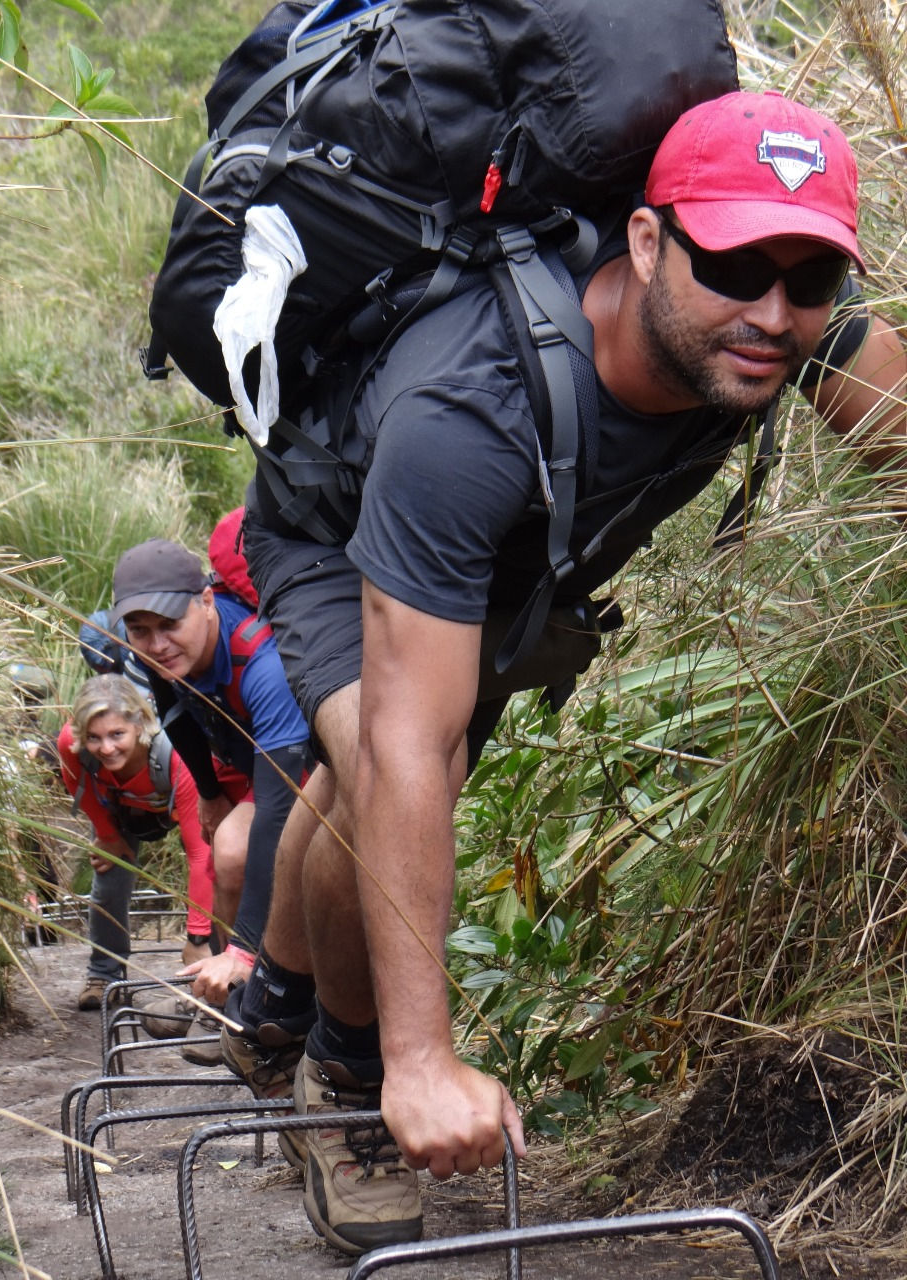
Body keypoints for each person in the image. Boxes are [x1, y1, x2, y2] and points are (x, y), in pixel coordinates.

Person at [214, 89, 906, 1256]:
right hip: (341, 530)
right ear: (647, 242)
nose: (773, 311)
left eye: (810, 279)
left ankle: (276, 1002)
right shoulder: (467, 414)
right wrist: (423, 1057)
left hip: (513, 557)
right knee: (386, 764)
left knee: (380, 776)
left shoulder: (782, 325)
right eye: (736, 264)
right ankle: (343, 1072)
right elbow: (407, 746)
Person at [109, 536, 313, 1040]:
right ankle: (231, 997)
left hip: (314, 765)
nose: (156, 645)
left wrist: (244, 944)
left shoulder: (262, 663)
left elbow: (278, 811)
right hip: (247, 763)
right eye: (140, 631)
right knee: (224, 843)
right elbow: (177, 716)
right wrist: (208, 791)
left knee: (236, 847)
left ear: (204, 602)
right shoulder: (159, 655)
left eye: (169, 626)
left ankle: (250, 978)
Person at [58, 674, 216, 1021]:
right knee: (108, 882)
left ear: (140, 725)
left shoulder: (177, 754)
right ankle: (104, 973)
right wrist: (106, 834)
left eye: (117, 735)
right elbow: (76, 782)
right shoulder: (72, 744)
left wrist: (198, 934)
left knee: (224, 871)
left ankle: (214, 968)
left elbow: (200, 855)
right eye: (94, 738)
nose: (106, 748)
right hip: (119, 807)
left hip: (177, 799)